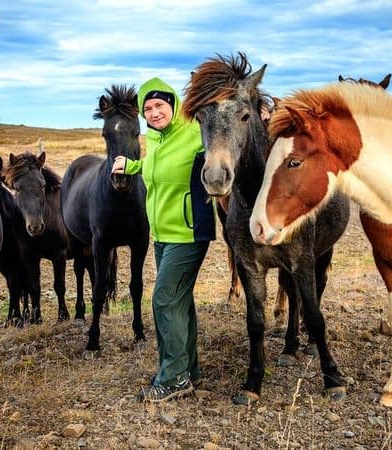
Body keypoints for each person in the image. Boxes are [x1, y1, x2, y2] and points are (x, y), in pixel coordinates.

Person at [111, 77, 215, 402]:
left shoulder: (195, 133)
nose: (155, 112)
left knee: (164, 300)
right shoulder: (156, 138)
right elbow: (157, 166)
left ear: (173, 103)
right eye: (148, 108)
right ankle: (188, 370)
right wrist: (132, 165)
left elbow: (224, 152)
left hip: (188, 233)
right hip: (163, 234)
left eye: (160, 105)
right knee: (179, 301)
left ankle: (173, 379)